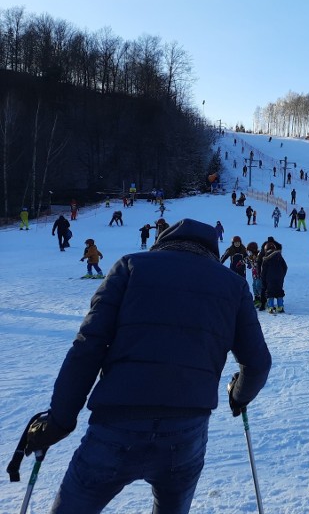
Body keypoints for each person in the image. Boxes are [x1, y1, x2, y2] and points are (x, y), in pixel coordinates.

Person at [22, 219, 271, 513]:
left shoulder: (130, 267)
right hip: (185, 428)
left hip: (117, 421)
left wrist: (59, 421)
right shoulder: (232, 285)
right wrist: (238, 395)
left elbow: (87, 347)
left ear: (161, 241)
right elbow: (258, 363)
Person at [261, 239, 288, 314]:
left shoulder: (266, 259)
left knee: (270, 292)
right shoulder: (279, 256)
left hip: (270, 279)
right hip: (279, 278)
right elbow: (285, 267)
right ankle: (280, 306)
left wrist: (263, 279)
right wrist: (282, 275)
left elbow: (264, 271)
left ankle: (271, 307)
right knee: (279, 291)